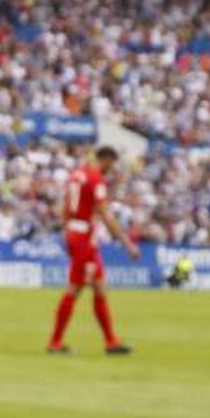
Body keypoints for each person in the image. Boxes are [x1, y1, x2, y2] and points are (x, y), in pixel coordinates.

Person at [48, 145, 139, 354]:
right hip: (83, 238)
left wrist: (68, 230)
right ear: (106, 159)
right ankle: (55, 342)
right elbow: (106, 215)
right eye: (112, 164)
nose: (112, 169)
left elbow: (66, 206)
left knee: (99, 286)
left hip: (74, 232)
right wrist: (128, 244)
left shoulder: (76, 175)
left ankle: (111, 342)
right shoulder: (95, 179)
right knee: (75, 288)